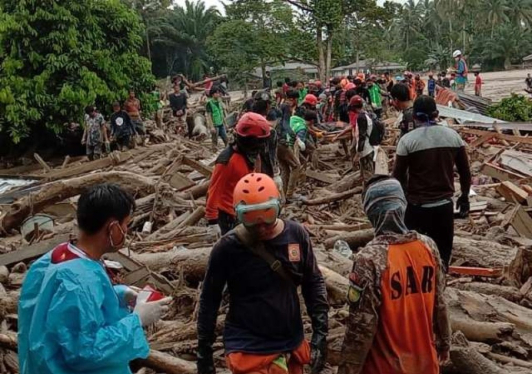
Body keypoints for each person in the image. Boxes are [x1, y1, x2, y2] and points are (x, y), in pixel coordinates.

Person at [18, 184, 172, 374]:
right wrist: (137, 319)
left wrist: (119, 294)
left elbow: (53, 308)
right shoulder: (80, 280)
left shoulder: (54, 258)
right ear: (113, 228)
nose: (127, 231)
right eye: (126, 225)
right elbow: (86, 351)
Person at [197, 173, 329, 374]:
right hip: (247, 346)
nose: (261, 227)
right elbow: (209, 299)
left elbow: (313, 281)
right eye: (250, 219)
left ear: (278, 207)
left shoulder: (296, 235)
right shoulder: (227, 248)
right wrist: (204, 351)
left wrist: (320, 332)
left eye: (267, 216)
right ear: (238, 215)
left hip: (290, 341)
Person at [338, 176, 451, 374]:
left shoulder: (370, 259)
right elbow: (440, 303)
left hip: (383, 367)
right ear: (402, 205)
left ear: (371, 213)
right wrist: (444, 343)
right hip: (425, 362)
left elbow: (361, 326)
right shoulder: (427, 246)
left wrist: (347, 370)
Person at [392, 96, 471, 269]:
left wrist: (401, 201)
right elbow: (465, 172)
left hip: (416, 208)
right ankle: (439, 291)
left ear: (414, 116)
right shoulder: (453, 136)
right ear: (436, 114)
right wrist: (464, 196)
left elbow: (397, 176)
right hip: (443, 207)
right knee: (442, 257)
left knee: (415, 258)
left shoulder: (407, 141)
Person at [205, 113, 273, 234]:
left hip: (243, 208)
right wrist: (212, 221)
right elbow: (214, 191)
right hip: (227, 215)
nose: (261, 146)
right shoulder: (227, 161)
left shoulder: (252, 156)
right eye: (259, 142)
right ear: (250, 141)